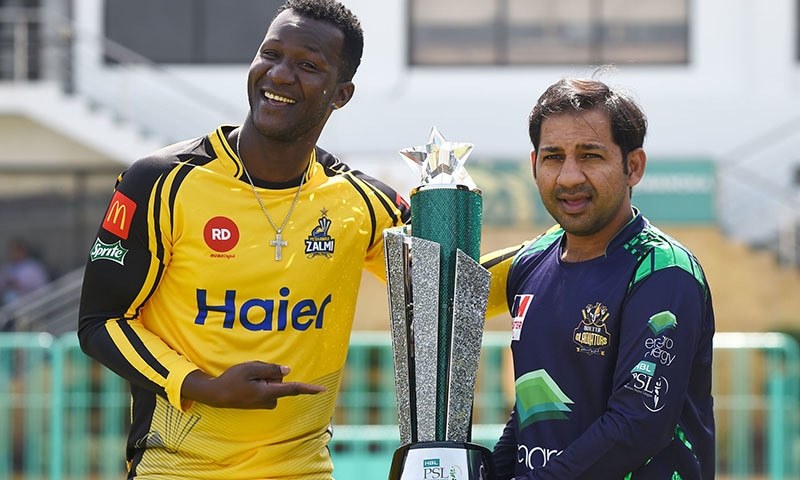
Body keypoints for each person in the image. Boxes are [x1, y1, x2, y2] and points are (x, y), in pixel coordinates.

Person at [77, 1, 409, 478]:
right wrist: (201, 385)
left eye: (307, 65)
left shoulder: (361, 200)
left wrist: (555, 240)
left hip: (303, 469)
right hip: (176, 467)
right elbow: (100, 322)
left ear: (341, 94)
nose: (279, 75)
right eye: (270, 54)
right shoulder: (160, 181)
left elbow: (459, 291)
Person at [484, 78, 715, 479]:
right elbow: (530, 409)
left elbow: (636, 425)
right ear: (534, 164)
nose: (570, 177)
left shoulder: (663, 271)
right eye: (553, 157)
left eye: (590, 156)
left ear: (633, 166)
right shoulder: (530, 264)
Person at [0, 237, 50, 306]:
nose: (14, 253)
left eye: (17, 250)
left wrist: (21, 286)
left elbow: (43, 289)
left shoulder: (34, 268)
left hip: (30, 304)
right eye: (12, 250)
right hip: (9, 306)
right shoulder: (7, 268)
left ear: (23, 251)